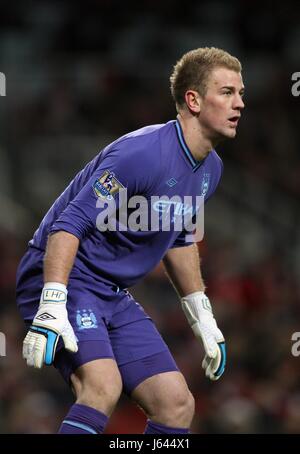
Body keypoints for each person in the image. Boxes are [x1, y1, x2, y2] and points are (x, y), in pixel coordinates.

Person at [16, 47, 245, 435]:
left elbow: (179, 235)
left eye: (241, 93)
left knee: (176, 404)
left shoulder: (212, 169)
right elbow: (68, 225)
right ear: (192, 100)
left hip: (111, 292)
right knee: (102, 386)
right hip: (63, 275)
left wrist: (202, 315)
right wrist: (52, 303)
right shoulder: (141, 154)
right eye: (226, 92)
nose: (239, 103)